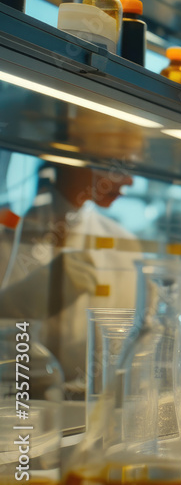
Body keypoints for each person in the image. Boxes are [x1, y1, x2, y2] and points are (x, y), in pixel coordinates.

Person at [0, 164, 138, 388]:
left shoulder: (123, 245)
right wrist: (11, 306)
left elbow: (128, 347)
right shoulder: (6, 232)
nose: (129, 180)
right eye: (115, 161)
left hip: (84, 411)